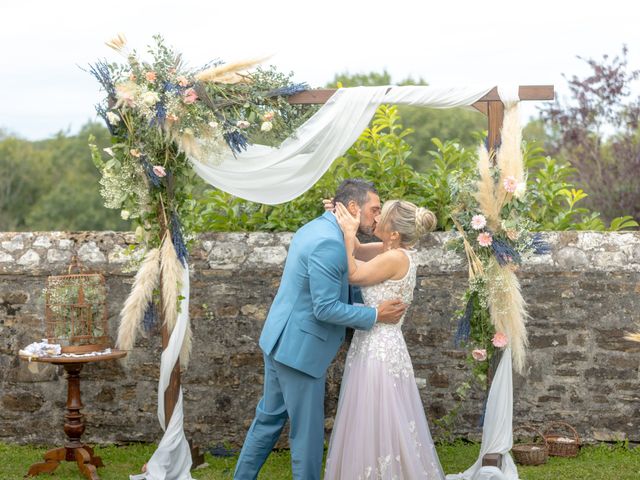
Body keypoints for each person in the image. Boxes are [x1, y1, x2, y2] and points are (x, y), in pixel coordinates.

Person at [233, 179, 408, 480]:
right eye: (374, 210)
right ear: (353, 208)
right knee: (307, 437)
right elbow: (325, 307)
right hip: (300, 351)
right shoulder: (329, 242)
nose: (377, 217)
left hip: (278, 340)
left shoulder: (318, 227)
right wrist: (375, 314)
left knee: (268, 421)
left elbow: (355, 265)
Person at [324, 199, 446, 480]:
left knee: (379, 414)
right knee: (379, 417)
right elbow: (355, 249)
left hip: (379, 347)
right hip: (379, 343)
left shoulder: (394, 257)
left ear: (394, 234)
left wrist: (345, 233)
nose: (375, 219)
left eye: (382, 217)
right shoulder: (393, 249)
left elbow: (353, 274)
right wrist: (345, 217)